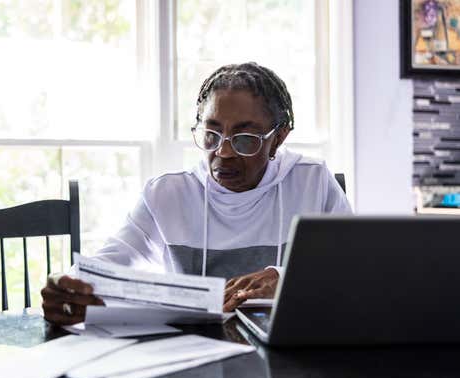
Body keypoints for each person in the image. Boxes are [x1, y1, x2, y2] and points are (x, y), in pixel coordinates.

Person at [41, 62, 352, 325]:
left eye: (245, 138)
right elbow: (109, 264)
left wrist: (286, 278)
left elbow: (354, 270)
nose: (224, 152)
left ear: (279, 138)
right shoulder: (167, 194)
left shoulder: (312, 181)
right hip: (194, 365)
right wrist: (68, 287)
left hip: (289, 358)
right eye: (211, 134)